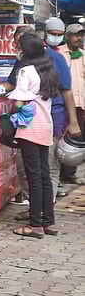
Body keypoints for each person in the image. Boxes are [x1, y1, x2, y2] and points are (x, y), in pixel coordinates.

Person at [3, 19, 81, 203]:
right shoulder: (23, 63)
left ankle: (44, 209)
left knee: (45, 168)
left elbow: (67, 90)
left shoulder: (53, 60)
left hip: (48, 120)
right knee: (31, 169)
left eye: (21, 43)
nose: (18, 47)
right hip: (31, 123)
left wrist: (73, 121)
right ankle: (39, 209)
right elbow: (12, 85)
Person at [9, 33, 60, 238]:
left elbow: (19, 102)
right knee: (44, 176)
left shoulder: (25, 71)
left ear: (25, 50)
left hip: (29, 128)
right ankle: (49, 222)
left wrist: (11, 113)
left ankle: (35, 225)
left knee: (34, 177)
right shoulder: (47, 69)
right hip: (45, 126)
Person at [58, 22, 85, 186]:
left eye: (81, 35)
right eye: (76, 35)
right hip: (62, 103)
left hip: (80, 104)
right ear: (67, 36)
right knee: (60, 138)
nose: (79, 38)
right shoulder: (59, 54)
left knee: (77, 140)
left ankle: (70, 173)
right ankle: (58, 175)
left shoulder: (83, 55)